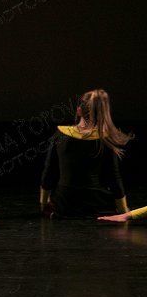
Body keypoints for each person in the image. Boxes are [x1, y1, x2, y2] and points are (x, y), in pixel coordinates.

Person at [40, 89, 133, 218]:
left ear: (79, 110)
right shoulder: (105, 139)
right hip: (96, 207)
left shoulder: (60, 135)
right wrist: (123, 210)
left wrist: (44, 203)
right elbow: (113, 178)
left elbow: (49, 172)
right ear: (104, 113)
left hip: (64, 207)